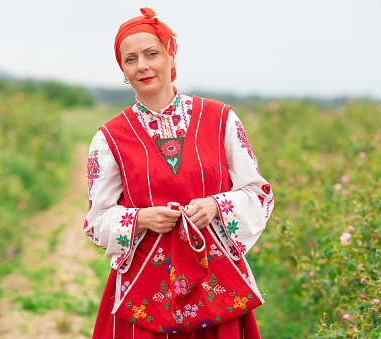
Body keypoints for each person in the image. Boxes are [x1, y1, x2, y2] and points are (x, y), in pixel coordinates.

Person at [84, 8, 274, 338]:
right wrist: (140, 219)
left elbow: (258, 194)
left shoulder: (221, 120)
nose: (141, 65)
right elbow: (96, 221)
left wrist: (217, 206)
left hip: (216, 285)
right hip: (144, 291)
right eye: (130, 59)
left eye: (151, 53)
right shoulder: (109, 138)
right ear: (123, 72)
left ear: (171, 58)